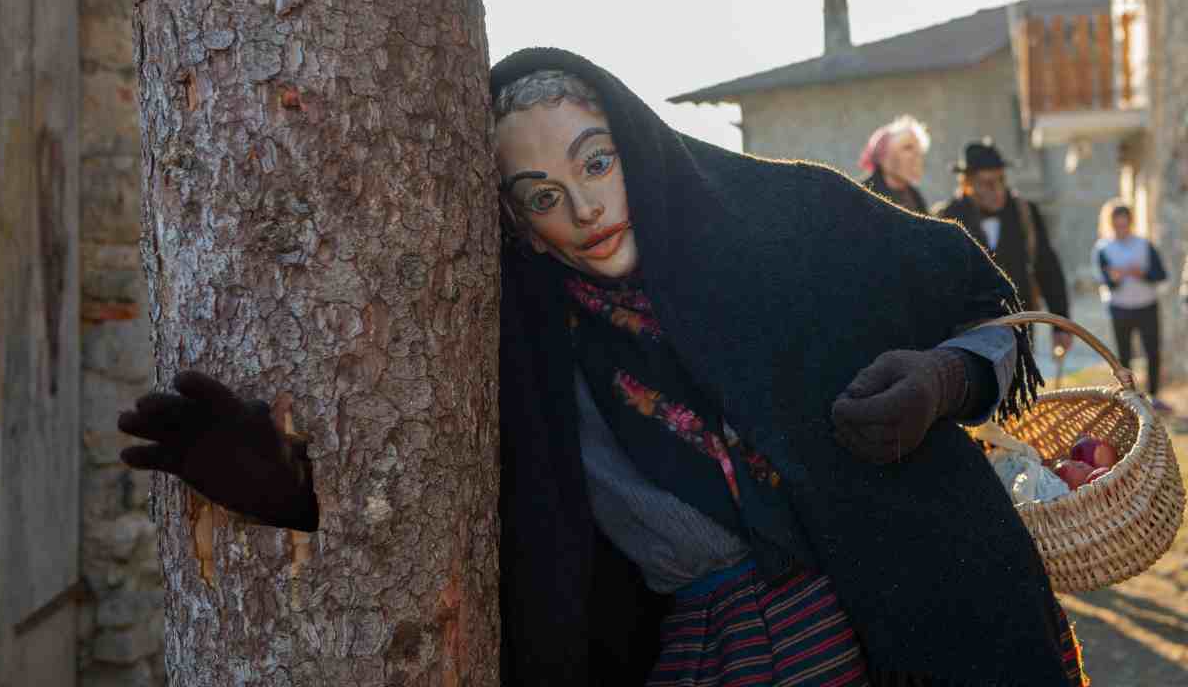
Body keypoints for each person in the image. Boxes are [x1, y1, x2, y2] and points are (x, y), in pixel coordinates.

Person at [117, 49, 1087, 686]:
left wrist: (940, 381)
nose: (581, 208)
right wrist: (295, 490)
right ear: (512, 221)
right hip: (700, 656)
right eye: (539, 192)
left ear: (640, 146)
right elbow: (467, 513)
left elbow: (1000, 316)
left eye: (595, 161)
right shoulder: (524, 348)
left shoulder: (793, 225)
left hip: (917, 620)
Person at [934, 140, 1074, 354]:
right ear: (967, 184)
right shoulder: (945, 218)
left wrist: (1061, 324)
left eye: (1001, 180)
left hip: (1019, 325)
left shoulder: (1025, 213)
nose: (998, 189)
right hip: (967, 332)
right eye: (987, 183)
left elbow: (1047, 267)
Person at [1093, 200, 1171, 411]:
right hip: (1119, 308)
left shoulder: (1144, 245)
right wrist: (1115, 279)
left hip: (1147, 305)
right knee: (1123, 356)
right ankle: (1129, 399)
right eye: (1117, 225)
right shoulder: (1103, 249)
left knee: (1152, 353)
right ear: (1110, 224)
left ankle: (1154, 396)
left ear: (1131, 223)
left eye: (1124, 225)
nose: (1121, 229)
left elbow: (1161, 274)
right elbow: (1105, 282)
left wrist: (1143, 274)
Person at [857, 115, 930, 213]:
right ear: (883, 155)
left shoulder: (916, 197)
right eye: (908, 148)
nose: (916, 156)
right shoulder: (863, 194)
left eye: (919, 150)